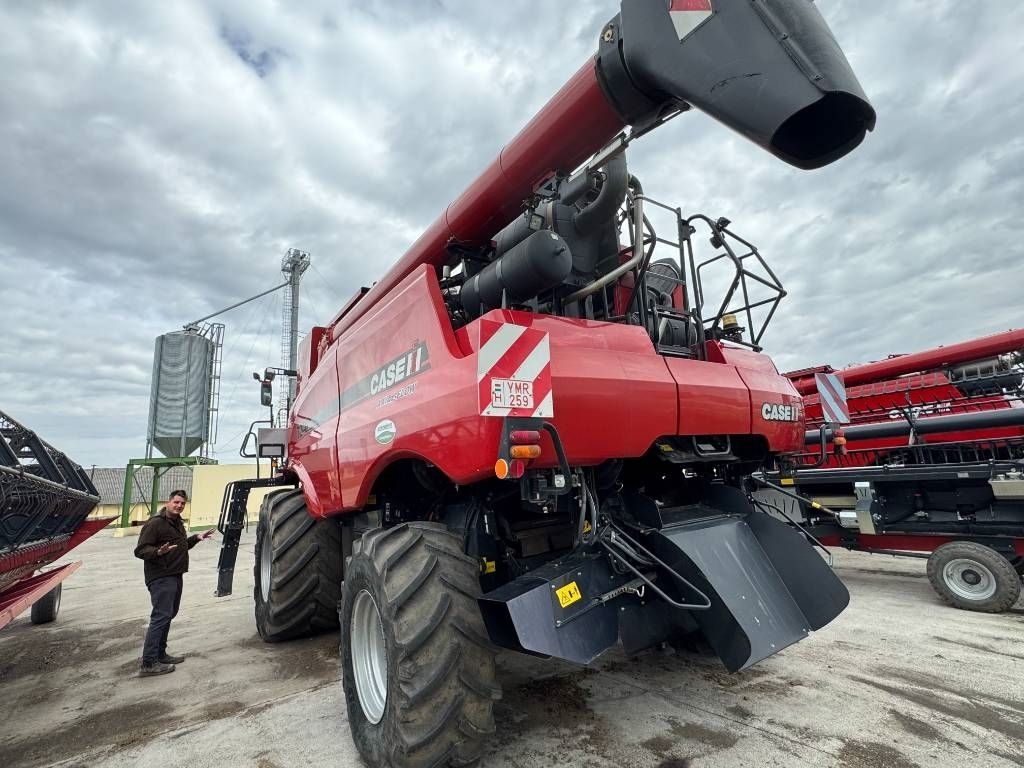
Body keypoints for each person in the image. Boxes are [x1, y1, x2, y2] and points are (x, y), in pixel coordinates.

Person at [133, 489, 214, 676]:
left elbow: (180, 546)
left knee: (169, 614)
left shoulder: (177, 522)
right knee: (161, 616)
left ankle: (160, 654)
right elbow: (140, 550)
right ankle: (149, 663)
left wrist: (196, 538)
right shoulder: (155, 523)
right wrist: (157, 552)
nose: (179, 506)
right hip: (161, 576)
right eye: (176, 502)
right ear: (168, 502)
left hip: (175, 574)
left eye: (182, 503)